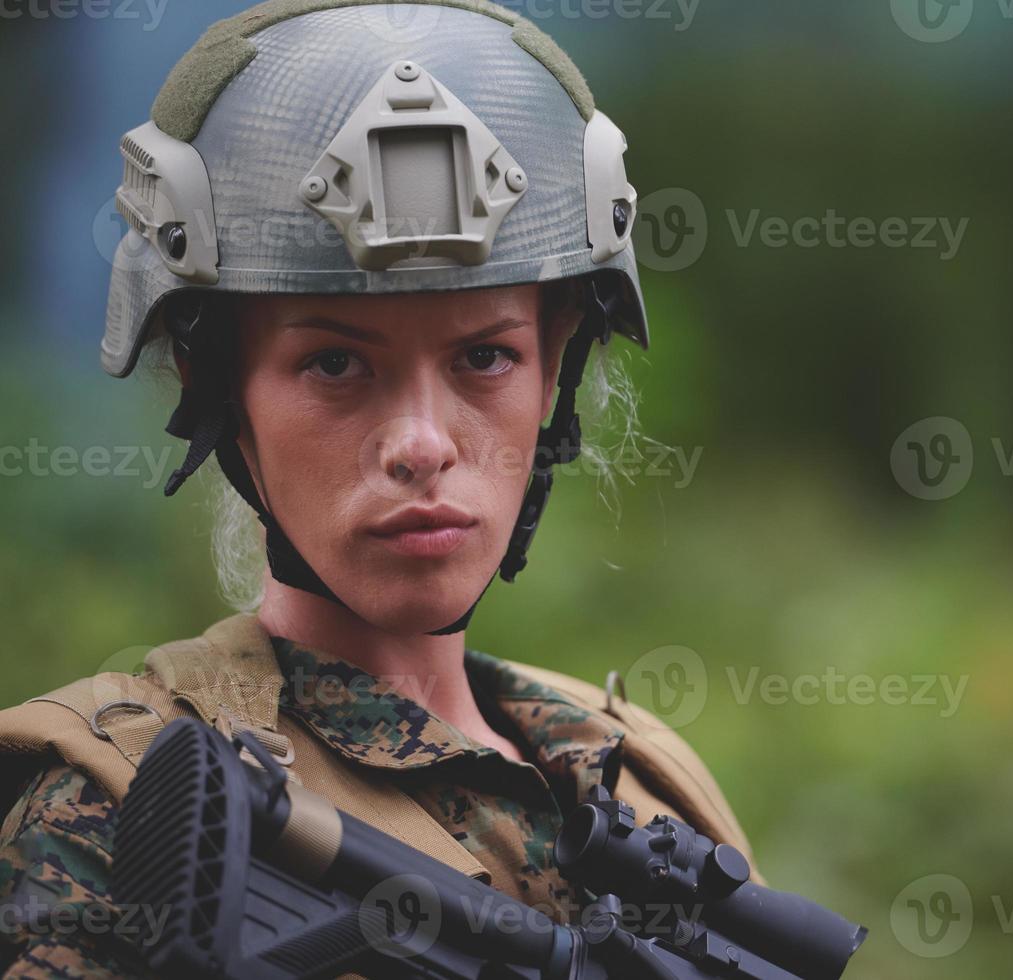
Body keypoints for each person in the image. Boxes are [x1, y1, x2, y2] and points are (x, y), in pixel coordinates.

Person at [0, 2, 759, 975]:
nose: (421, 443)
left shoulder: (647, 783)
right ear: (216, 384)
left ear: (553, 363)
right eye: (335, 365)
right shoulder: (135, 808)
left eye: (485, 354)